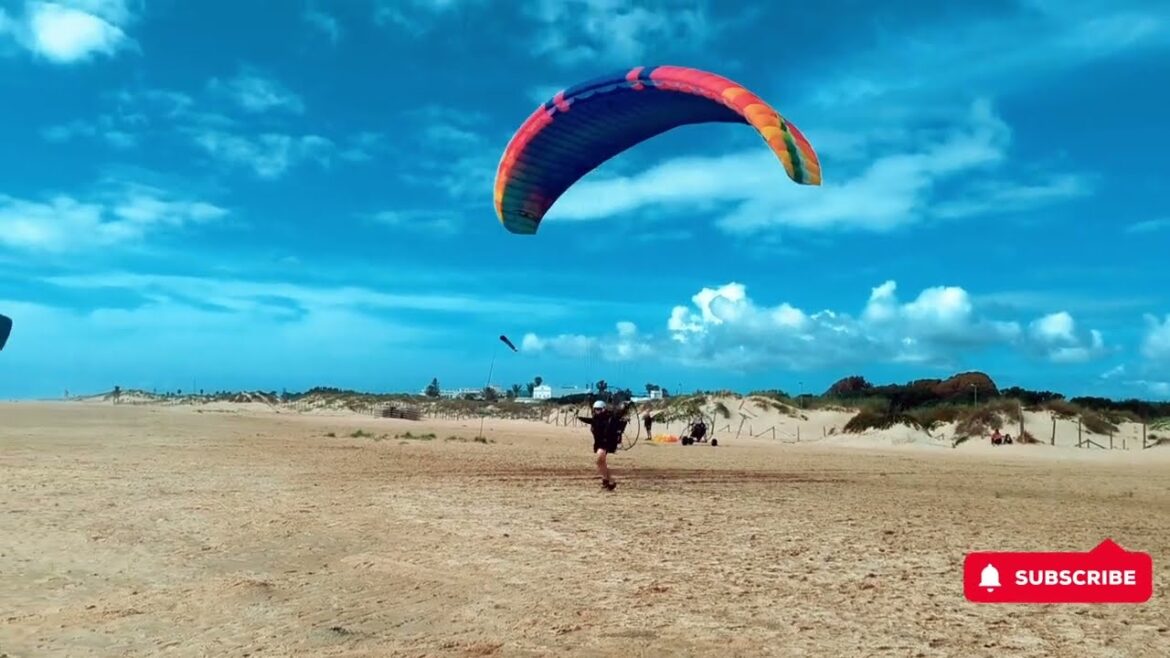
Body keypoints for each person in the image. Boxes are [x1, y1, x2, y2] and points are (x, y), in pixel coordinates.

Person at [578, 400, 620, 490]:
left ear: (603, 409)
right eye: (595, 409)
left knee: (599, 460)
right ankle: (607, 481)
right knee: (601, 463)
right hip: (598, 443)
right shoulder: (596, 418)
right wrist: (580, 418)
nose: (597, 411)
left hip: (606, 443)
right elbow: (591, 421)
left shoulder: (609, 419)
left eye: (599, 409)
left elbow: (613, 430)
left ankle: (610, 480)